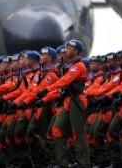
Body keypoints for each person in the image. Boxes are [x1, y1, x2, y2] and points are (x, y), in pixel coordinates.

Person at [36, 40, 90, 168]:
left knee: (78, 133)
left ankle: (84, 164)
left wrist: (47, 89)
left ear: (76, 51)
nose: (66, 50)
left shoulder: (79, 66)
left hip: (76, 101)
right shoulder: (69, 66)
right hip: (68, 101)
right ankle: (63, 163)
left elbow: (65, 81)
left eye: (70, 48)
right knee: (56, 130)